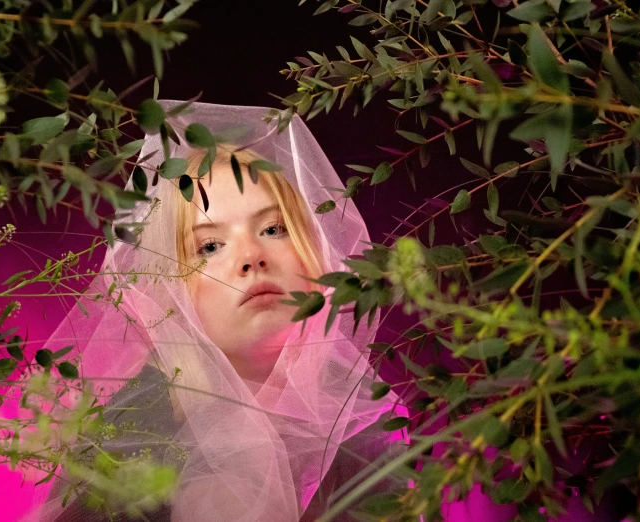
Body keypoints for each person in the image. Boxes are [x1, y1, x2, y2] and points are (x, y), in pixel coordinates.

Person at [28, 101, 406, 522]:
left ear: (314, 250)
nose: (251, 256)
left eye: (273, 228)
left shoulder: (360, 418)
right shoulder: (131, 433)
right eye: (209, 246)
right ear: (171, 289)